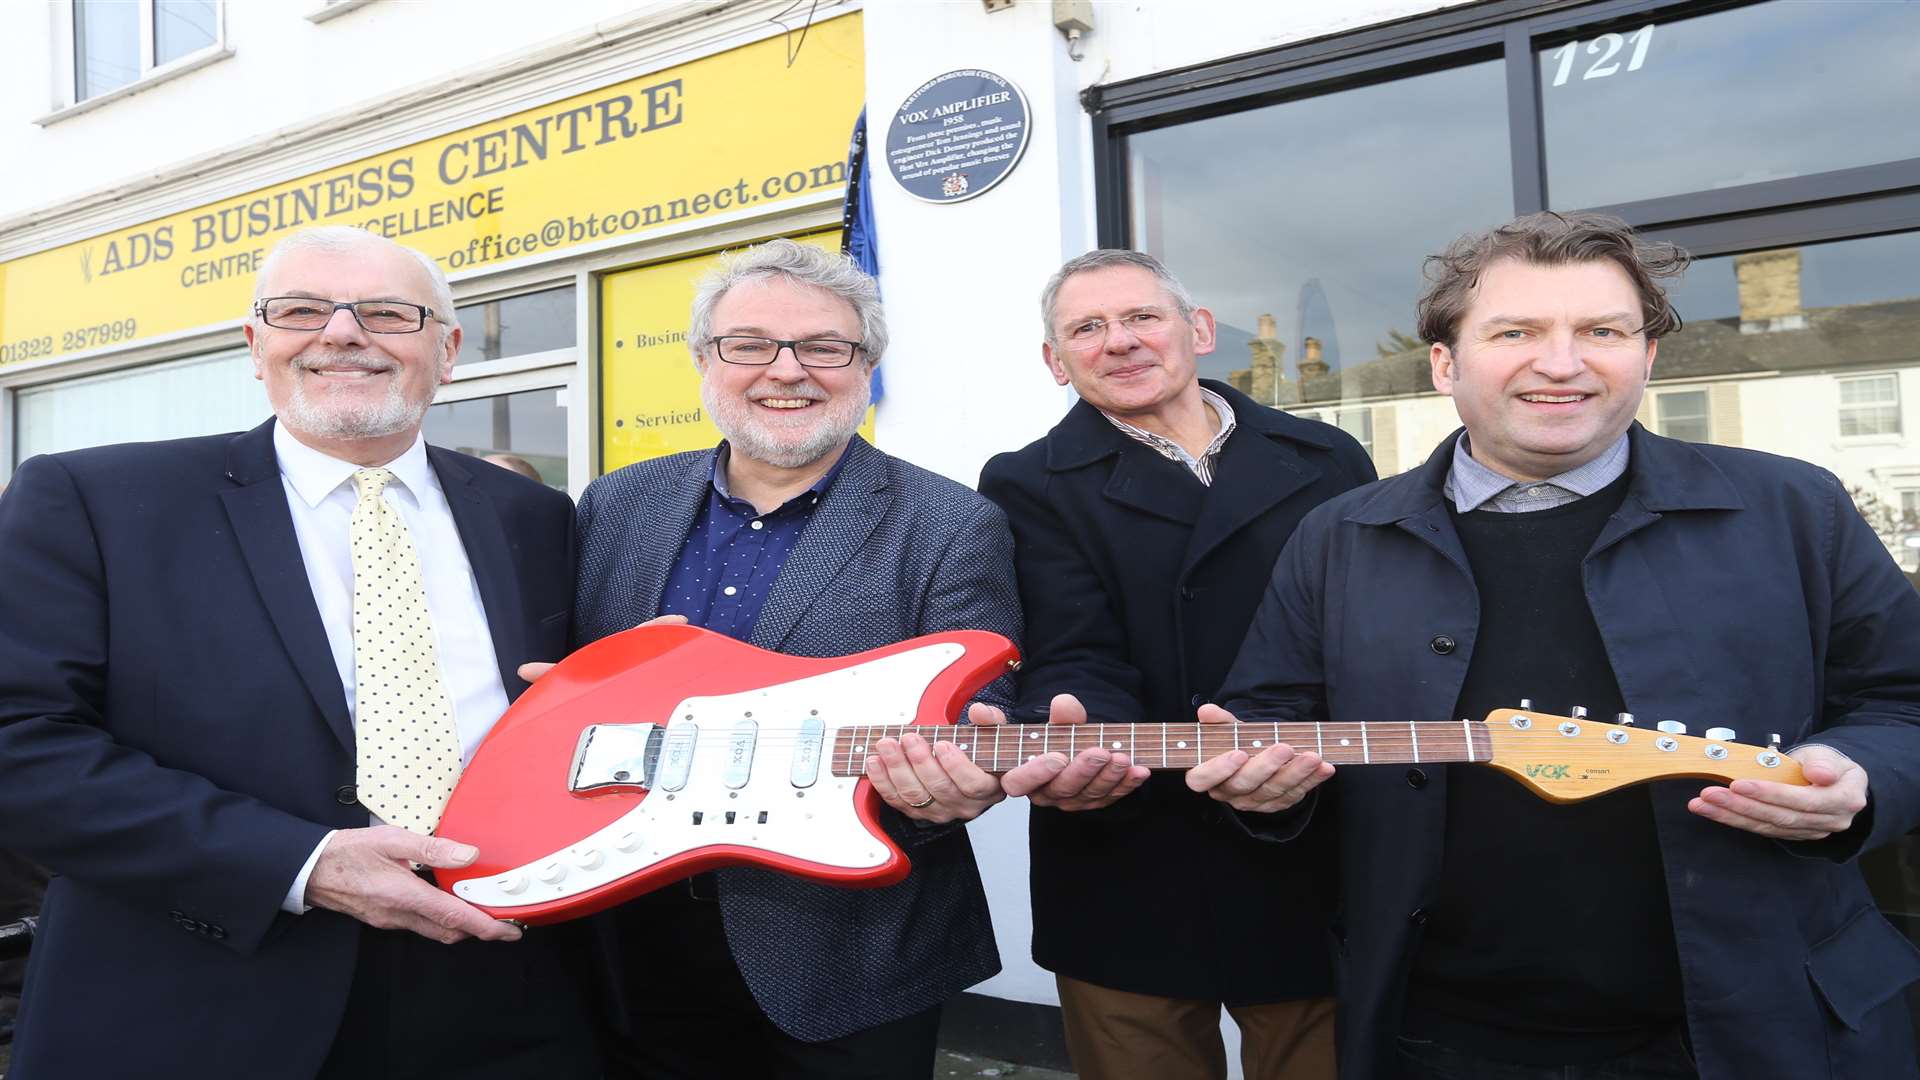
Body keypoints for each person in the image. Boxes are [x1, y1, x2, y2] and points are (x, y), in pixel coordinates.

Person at [1197, 211, 1920, 1079]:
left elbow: (1901, 701)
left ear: (1646, 358)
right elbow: (1269, 714)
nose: (1563, 362)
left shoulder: (1795, 509)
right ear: (1444, 364)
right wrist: (1267, 794)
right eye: (1517, 332)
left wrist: (1863, 777)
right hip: (1439, 1035)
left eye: (1603, 332)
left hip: (1764, 1027)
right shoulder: (1339, 536)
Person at [0, 225, 597, 1079]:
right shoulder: (95, 501)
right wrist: (303, 864)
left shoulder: (532, 518)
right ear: (256, 344)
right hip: (199, 1001)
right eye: (302, 310)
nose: (343, 333)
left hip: (498, 990)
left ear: (449, 349)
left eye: (389, 313)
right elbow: (19, 742)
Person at [570, 238, 1021, 1079]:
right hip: (631, 926)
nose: (787, 371)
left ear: (866, 367)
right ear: (706, 359)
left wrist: (964, 771)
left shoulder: (951, 522)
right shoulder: (617, 503)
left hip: (844, 949)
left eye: (824, 348)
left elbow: (979, 703)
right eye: (750, 345)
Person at [976, 249, 1374, 1079]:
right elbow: (1071, 645)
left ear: (1196, 331)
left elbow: (1362, 630)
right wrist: (1084, 747)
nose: (1118, 341)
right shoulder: (1026, 483)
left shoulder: (1327, 457)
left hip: (1306, 832)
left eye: (1140, 317)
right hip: (1124, 849)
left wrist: (1281, 754)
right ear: (1056, 362)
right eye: (1087, 328)